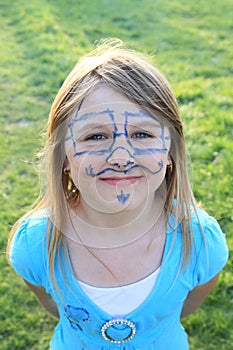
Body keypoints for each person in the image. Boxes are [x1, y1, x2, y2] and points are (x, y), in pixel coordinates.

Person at [7, 39, 228, 349]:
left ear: (170, 151)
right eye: (96, 136)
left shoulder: (200, 242)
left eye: (142, 134)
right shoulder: (36, 244)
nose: (121, 156)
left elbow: (186, 305)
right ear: (64, 158)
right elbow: (50, 300)